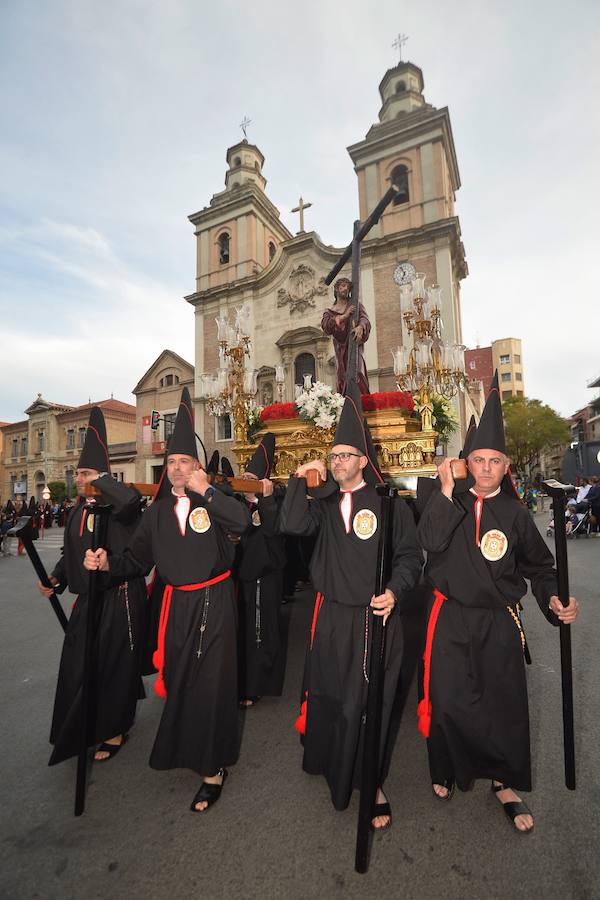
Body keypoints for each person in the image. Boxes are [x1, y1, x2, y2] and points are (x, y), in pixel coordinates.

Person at [416, 373, 579, 833]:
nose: (486, 468)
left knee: (501, 704)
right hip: (448, 617)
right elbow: (428, 540)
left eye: (495, 461)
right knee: (447, 700)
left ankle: (504, 782)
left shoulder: (516, 514)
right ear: (465, 462)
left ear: (507, 467)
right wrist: (446, 491)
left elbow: (541, 568)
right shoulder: (442, 499)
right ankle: (447, 766)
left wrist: (555, 598)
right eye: (478, 460)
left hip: (499, 620)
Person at [84, 388, 251, 812]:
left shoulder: (214, 501)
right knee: (180, 681)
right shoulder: (155, 514)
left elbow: (243, 524)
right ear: (166, 468)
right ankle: (186, 747)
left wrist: (207, 490)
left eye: (185, 462)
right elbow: (137, 560)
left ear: (196, 466)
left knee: (212, 685)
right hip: (174, 607)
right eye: (172, 462)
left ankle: (213, 768)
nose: (177, 468)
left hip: (214, 604)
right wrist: (106, 565)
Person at [280, 380, 422, 830]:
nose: (339, 462)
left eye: (346, 456)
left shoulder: (388, 503)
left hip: (373, 617)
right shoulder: (321, 504)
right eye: (334, 455)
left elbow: (409, 557)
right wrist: (301, 477)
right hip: (330, 619)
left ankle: (370, 779)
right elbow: (290, 525)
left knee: (369, 702)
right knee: (328, 696)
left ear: (363, 460)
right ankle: (327, 761)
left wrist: (395, 590)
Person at [39, 406, 148, 765]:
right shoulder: (76, 510)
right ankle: (81, 726)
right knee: (79, 664)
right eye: (79, 473)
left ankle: (115, 728)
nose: (79, 478)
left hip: (119, 598)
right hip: (88, 599)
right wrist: (57, 577)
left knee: (113, 667)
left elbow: (132, 502)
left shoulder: (119, 507)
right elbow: (73, 549)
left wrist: (100, 479)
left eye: (85, 473)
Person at [235, 433, 286, 707]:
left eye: (251, 479)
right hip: (242, 575)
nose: (246, 484)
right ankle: (243, 679)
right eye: (244, 477)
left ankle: (257, 683)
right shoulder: (237, 503)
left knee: (262, 630)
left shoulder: (274, 502)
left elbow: (274, 531)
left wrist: (264, 500)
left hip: (266, 575)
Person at [321, 277, 371, 395]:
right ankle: (346, 405)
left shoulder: (355, 305)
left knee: (358, 372)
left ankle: (363, 404)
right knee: (342, 378)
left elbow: (365, 319)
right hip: (340, 349)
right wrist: (344, 316)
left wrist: (360, 327)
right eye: (343, 286)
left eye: (347, 287)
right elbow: (326, 326)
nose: (345, 289)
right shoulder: (329, 311)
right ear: (336, 289)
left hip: (353, 346)